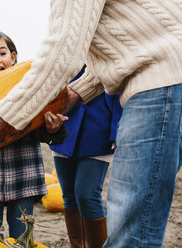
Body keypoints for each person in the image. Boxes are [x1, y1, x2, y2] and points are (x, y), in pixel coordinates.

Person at [0, 1, 182, 247]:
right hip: (162, 78)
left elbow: (63, 54)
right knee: (131, 218)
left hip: (160, 82)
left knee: (129, 222)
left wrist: (4, 114)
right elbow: (113, 57)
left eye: (2, 53)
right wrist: (75, 92)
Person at [0, 29, 68, 240]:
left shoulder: (30, 91)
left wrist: (52, 129)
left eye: (2, 53)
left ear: (14, 57)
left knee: (23, 236)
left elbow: (42, 129)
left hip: (24, 176)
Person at [50, 67, 122, 247]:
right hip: (64, 131)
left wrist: (116, 130)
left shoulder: (107, 49)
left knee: (87, 195)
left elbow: (120, 91)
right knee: (69, 195)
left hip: (98, 132)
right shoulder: (66, 55)